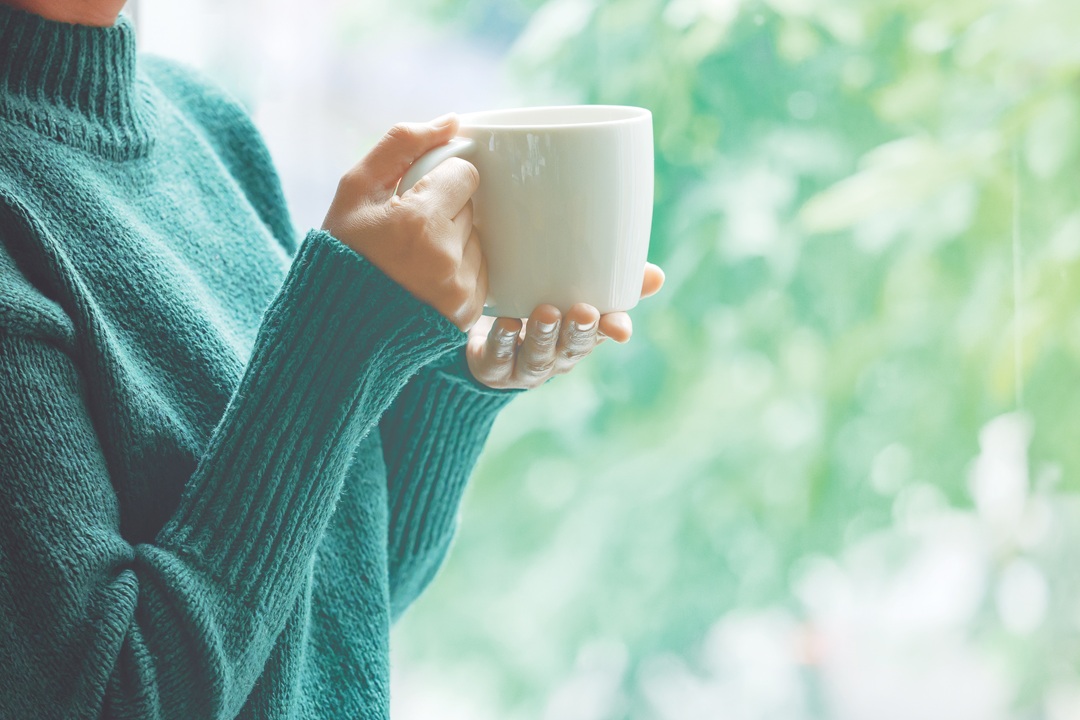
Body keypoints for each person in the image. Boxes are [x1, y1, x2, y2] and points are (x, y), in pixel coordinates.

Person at [0, 0, 665, 718]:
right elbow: (116, 699)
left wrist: (454, 384)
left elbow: (333, 624)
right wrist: (343, 331)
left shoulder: (205, 120)